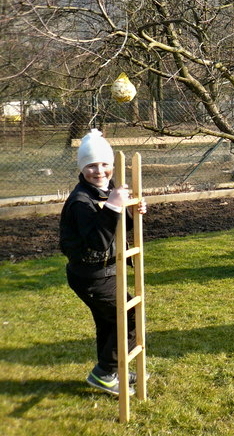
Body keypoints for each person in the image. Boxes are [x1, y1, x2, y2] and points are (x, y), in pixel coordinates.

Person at [59, 129, 148, 395]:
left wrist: (132, 211)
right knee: (129, 316)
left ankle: (112, 369)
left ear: (112, 165)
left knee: (109, 323)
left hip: (105, 271)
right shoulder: (81, 201)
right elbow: (98, 241)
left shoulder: (104, 190)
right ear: (81, 168)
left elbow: (117, 227)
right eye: (91, 166)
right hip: (91, 275)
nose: (99, 171)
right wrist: (112, 206)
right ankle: (104, 373)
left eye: (104, 164)